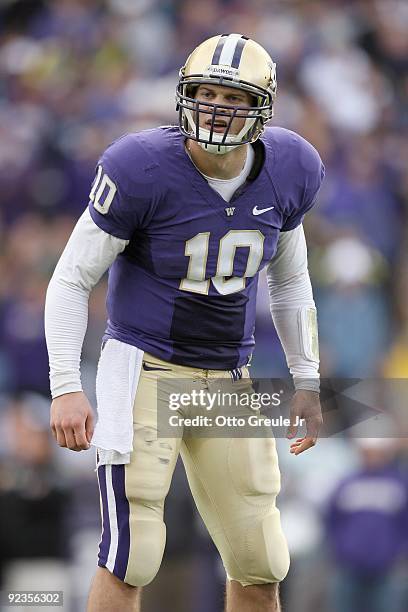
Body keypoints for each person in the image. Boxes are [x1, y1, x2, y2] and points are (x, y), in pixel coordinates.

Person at [45, 33, 325, 612]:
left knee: (260, 558)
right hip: (143, 368)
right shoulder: (141, 166)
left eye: (234, 96)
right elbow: (72, 278)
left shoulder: (291, 166)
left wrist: (307, 380)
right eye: (206, 92)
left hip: (228, 378)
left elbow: (291, 280)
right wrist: (65, 385)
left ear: (263, 108)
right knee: (133, 555)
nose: (218, 108)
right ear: (184, 96)